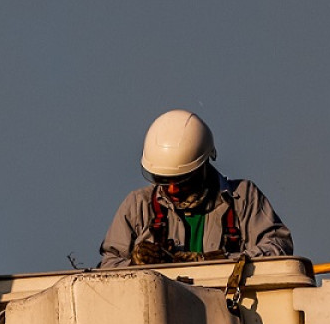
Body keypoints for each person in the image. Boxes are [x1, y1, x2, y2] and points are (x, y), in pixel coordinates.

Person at [98, 110, 293, 268]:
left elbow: (279, 247)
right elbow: (107, 266)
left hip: (228, 311)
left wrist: (224, 261)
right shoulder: (138, 206)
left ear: (203, 167)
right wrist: (135, 264)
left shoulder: (242, 198)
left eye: (182, 180)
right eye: (164, 180)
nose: (172, 189)